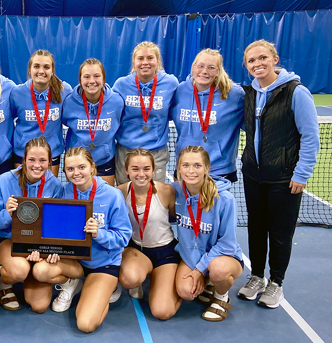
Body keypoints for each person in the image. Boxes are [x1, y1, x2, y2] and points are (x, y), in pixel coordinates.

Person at [237, 40, 319, 308]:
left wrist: (301, 173)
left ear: (274, 58)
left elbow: (310, 136)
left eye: (262, 58)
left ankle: (276, 283)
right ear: (246, 66)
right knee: (256, 230)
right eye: (251, 61)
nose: (257, 64)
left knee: (281, 233)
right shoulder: (249, 94)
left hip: (284, 178)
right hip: (253, 176)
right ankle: (257, 277)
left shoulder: (296, 92)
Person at [39, 147, 131, 333]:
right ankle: (72, 283)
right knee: (41, 270)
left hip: (102, 264)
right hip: (74, 260)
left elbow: (123, 237)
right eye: (70, 169)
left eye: (81, 167)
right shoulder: (63, 192)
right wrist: (52, 249)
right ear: (64, 171)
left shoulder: (112, 195)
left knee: (85, 324)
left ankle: (104, 291)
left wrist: (99, 234)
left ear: (92, 167)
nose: (76, 173)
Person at [0, 136, 63, 312]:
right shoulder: (4, 180)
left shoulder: (56, 186)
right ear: (24, 160)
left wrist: (46, 249)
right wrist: (7, 214)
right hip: (8, 239)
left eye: (43, 160)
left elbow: (57, 226)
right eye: (32, 160)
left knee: (39, 306)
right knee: (19, 270)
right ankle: (5, 284)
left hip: (40, 244)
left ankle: (27, 270)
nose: (37, 165)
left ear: (50, 161)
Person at [173, 146, 243, 322]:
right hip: (191, 255)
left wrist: (199, 269)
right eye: (186, 165)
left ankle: (221, 297)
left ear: (207, 168)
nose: (191, 171)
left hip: (224, 256)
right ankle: (209, 283)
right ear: (178, 168)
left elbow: (227, 244)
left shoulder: (225, 199)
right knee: (185, 292)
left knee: (218, 270)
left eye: (197, 165)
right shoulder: (175, 192)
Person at [117, 148, 181, 320]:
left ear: (153, 170)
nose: (141, 174)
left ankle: (168, 282)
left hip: (166, 253)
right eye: (135, 169)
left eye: (146, 169)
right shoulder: (120, 192)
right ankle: (145, 275)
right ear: (126, 170)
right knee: (130, 279)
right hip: (137, 250)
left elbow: (182, 220)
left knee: (162, 312)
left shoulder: (166, 191)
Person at [171, 48, 245, 182]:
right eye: (200, 66)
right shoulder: (179, 91)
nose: (204, 71)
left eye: (211, 67)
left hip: (219, 169)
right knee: (183, 203)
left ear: (218, 71)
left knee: (218, 204)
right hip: (186, 167)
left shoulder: (234, 94)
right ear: (193, 67)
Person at [113, 41, 179, 185]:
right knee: (125, 195)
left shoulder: (171, 83)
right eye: (140, 58)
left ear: (157, 61)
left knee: (155, 197)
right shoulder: (121, 85)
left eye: (150, 58)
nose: (145, 63)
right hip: (126, 152)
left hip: (156, 152)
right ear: (134, 62)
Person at [63, 58, 124, 186]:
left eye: (97, 76)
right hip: (76, 163)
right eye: (86, 77)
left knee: (103, 199)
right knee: (78, 201)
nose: (92, 81)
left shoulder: (116, 102)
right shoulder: (69, 103)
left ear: (103, 79)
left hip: (104, 160)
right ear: (80, 80)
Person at [10, 50, 72, 178]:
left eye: (46, 67)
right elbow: (9, 118)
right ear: (29, 69)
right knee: (23, 192)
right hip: (23, 152)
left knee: (48, 193)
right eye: (36, 66)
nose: (41, 71)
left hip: (52, 152)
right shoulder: (17, 93)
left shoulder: (64, 91)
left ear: (52, 70)